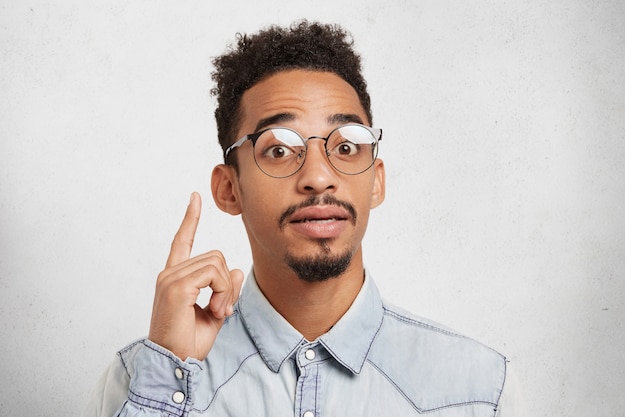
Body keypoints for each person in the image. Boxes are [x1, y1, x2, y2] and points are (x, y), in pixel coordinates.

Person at [83, 20, 518, 417]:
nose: (318, 177)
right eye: (278, 149)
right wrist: (167, 386)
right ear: (228, 189)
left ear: (376, 182)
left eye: (346, 146)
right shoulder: (140, 381)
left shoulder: (478, 390)